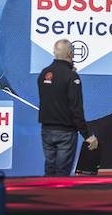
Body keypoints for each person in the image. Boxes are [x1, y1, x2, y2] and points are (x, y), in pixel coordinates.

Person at [37, 39, 98, 176]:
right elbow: (76, 108)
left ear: (54, 53)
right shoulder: (72, 77)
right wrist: (87, 135)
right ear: (71, 53)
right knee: (62, 174)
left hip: (46, 130)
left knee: (50, 171)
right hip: (66, 132)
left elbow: (52, 97)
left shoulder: (44, 74)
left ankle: (47, 195)